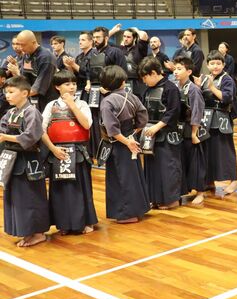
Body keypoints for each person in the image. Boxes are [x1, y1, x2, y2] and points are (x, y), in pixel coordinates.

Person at [41, 69, 98, 235]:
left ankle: (86, 221)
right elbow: (41, 130)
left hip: (78, 151)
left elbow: (86, 125)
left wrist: (72, 104)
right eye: (67, 84)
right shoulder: (51, 106)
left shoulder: (82, 104)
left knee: (82, 188)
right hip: (58, 152)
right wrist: (53, 149)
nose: (72, 87)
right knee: (60, 190)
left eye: (74, 83)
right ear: (57, 87)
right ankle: (63, 223)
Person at [0, 76, 50, 247]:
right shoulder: (10, 113)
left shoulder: (32, 112)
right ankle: (26, 231)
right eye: (6, 92)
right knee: (16, 197)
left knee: (31, 197)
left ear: (24, 93)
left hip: (29, 161)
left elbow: (31, 136)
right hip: (12, 160)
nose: (7, 95)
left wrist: (6, 137)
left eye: (11, 92)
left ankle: (38, 233)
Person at [98, 65, 150, 224]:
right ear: (122, 82)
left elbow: (112, 130)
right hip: (131, 138)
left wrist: (127, 142)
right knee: (133, 176)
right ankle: (140, 209)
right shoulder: (132, 96)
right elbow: (143, 119)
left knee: (121, 178)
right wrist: (132, 135)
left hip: (119, 144)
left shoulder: (107, 102)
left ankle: (128, 214)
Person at [138, 57, 182, 210]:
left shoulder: (170, 89)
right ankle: (154, 198)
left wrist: (157, 127)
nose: (144, 81)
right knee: (152, 168)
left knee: (167, 167)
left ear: (153, 73)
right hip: (150, 134)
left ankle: (172, 200)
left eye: (145, 77)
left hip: (166, 134)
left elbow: (173, 112)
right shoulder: (148, 89)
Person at [200, 50, 237, 195]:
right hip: (207, 119)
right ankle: (210, 180)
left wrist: (212, 88)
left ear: (223, 64)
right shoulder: (206, 78)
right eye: (212, 63)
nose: (215, 66)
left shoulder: (227, 79)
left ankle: (233, 181)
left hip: (221, 118)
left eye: (218, 63)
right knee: (209, 151)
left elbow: (227, 98)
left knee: (226, 151)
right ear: (207, 65)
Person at [173, 56, 208, 206]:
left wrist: (194, 133)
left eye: (179, 69)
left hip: (192, 128)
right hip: (179, 128)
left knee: (196, 162)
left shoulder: (193, 89)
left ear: (189, 72)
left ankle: (200, 192)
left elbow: (197, 112)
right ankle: (184, 189)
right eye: (174, 69)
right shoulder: (175, 86)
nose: (175, 72)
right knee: (182, 160)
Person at [62, 31, 99, 156]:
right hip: (79, 89)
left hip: (91, 89)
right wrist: (69, 66)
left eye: (83, 40)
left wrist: (73, 65)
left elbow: (90, 73)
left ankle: (94, 150)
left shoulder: (95, 54)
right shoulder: (79, 57)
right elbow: (74, 75)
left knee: (91, 118)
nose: (80, 42)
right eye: (79, 40)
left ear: (91, 41)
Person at [15, 30, 57, 111]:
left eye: (23, 45)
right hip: (31, 97)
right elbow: (24, 79)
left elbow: (39, 87)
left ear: (33, 42)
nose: (20, 48)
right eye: (19, 44)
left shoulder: (46, 57)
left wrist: (19, 96)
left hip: (47, 100)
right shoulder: (26, 55)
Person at [116, 25, 150, 100]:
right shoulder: (120, 49)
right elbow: (104, 40)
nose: (126, 39)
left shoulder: (140, 48)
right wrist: (113, 30)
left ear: (134, 38)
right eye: (124, 36)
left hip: (137, 82)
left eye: (128, 37)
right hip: (123, 81)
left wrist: (136, 30)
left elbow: (143, 35)